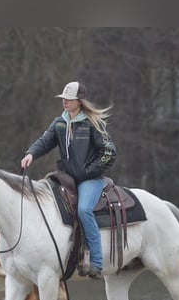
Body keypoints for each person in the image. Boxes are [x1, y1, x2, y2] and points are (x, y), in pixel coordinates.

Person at [21, 81, 116, 280]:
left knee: (83, 210)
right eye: (63, 98)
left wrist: (89, 172)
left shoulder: (92, 123)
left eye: (69, 99)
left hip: (91, 180)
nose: (64, 102)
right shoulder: (60, 123)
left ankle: (97, 262)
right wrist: (31, 153)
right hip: (67, 179)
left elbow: (109, 152)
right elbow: (45, 141)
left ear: (79, 101)